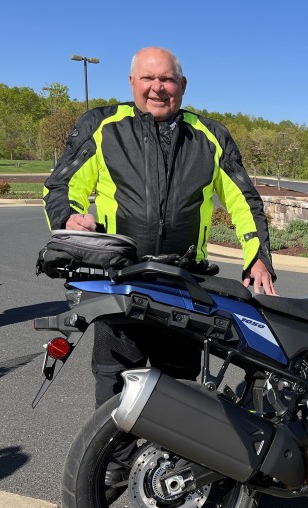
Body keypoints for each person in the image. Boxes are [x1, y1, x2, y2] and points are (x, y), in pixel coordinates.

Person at [43, 46, 276, 406]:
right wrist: (68, 219)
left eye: (167, 79)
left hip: (183, 286)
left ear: (182, 85)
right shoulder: (102, 127)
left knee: (179, 395)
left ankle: (176, 464)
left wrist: (257, 257)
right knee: (114, 393)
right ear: (132, 82)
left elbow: (244, 201)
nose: (158, 87)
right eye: (148, 78)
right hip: (120, 282)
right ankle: (113, 465)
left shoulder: (210, 136)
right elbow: (62, 187)